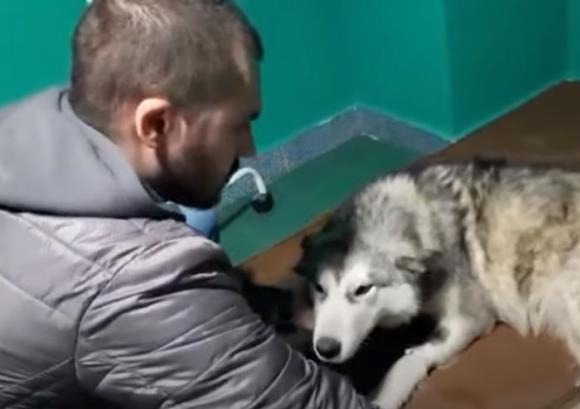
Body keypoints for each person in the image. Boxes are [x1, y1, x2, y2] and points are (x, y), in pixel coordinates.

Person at [0, 1, 377, 408]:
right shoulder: (140, 281)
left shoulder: (26, 122)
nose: (249, 148)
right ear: (156, 124)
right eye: (238, 124)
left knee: (198, 216)